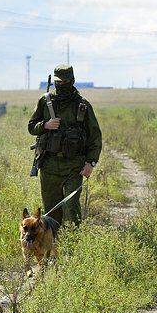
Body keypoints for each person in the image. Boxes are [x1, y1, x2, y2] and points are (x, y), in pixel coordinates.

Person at [28, 65, 102, 225]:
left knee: (71, 208)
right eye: (58, 82)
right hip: (49, 166)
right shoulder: (45, 101)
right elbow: (31, 127)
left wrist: (91, 163)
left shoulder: (82, 105)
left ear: (72, 81)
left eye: (64, 82)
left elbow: (95, 137)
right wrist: (45, 125)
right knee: (51, 211)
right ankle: (54, 245)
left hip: (73, 167)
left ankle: (73, 245)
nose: (60, 85)